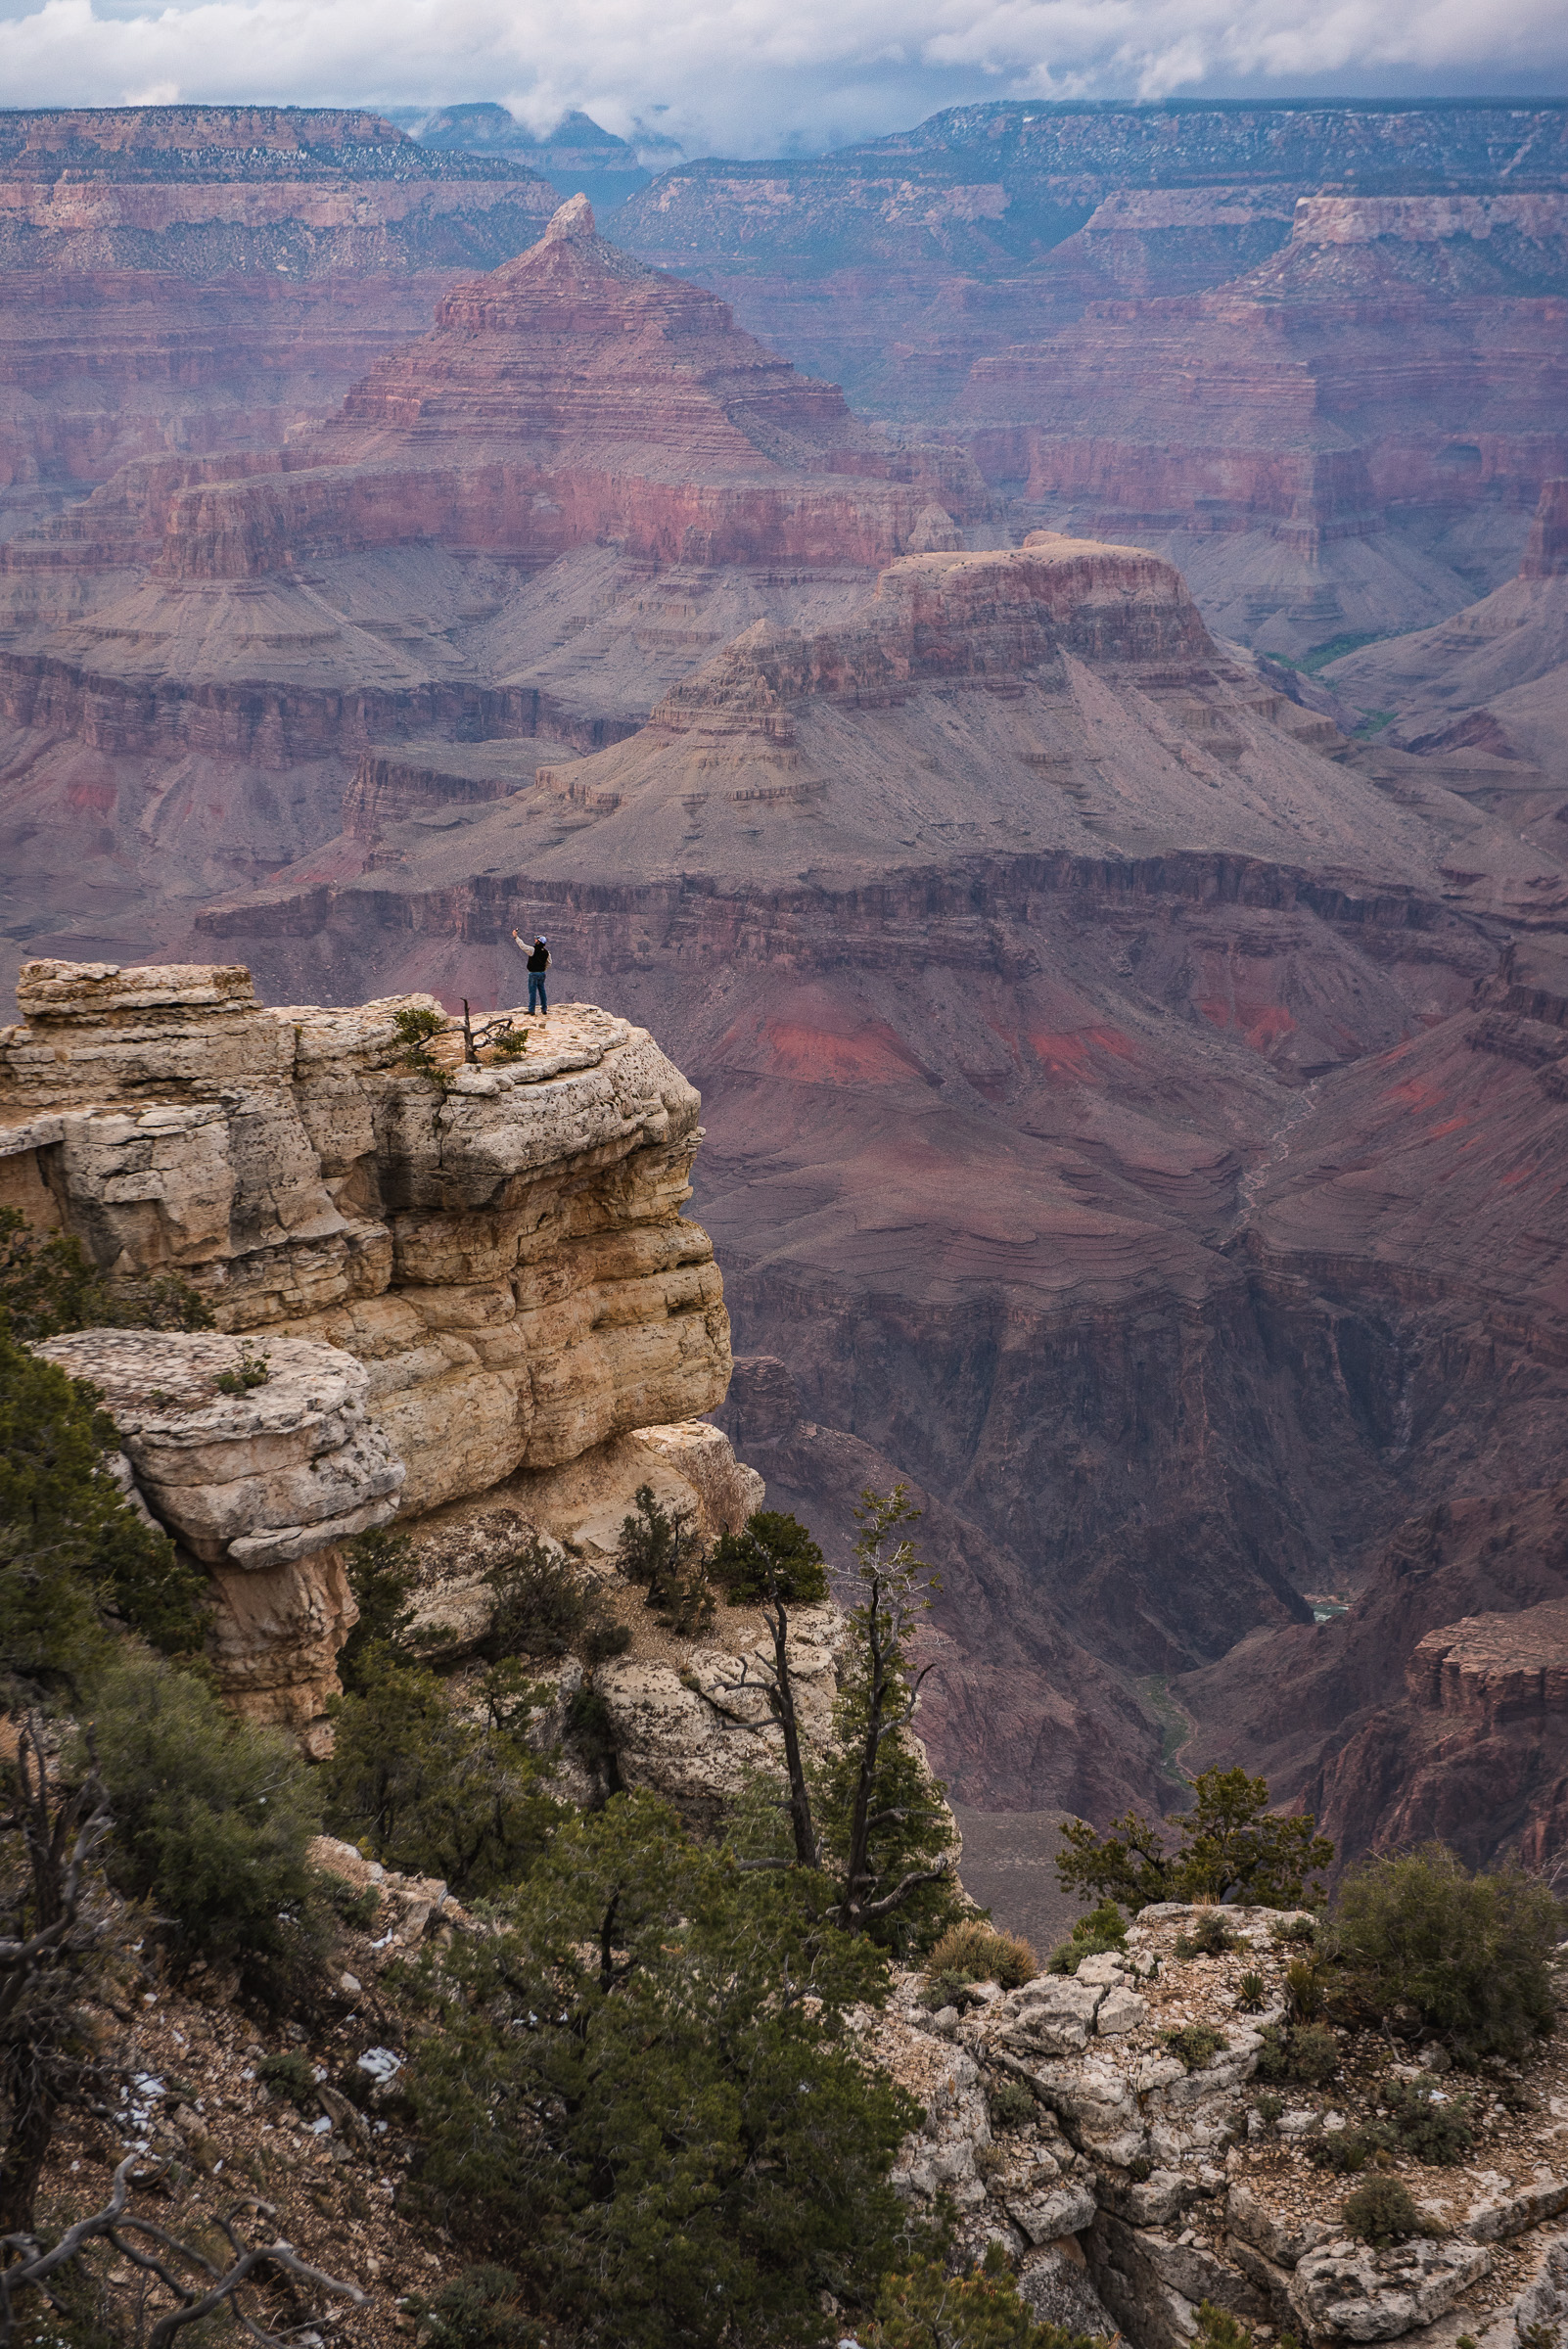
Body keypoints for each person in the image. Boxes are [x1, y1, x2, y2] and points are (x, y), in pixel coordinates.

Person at [512, 929, 550, 1015]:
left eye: (536, 939)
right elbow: (549, 963)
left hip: (533, 974)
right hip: (542, 973)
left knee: (532, 992)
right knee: (542, 991)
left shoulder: (533, 950)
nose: (535, 940)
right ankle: (544, 1009)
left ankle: (531, 1010)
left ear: (539, 942)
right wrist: (543, 970)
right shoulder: (547, 952)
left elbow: (523, 946)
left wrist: (516, 937)